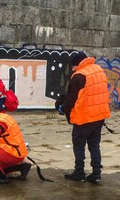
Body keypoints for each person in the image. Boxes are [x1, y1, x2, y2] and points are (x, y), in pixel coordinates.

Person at [56, 52, 111, 183]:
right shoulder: (99, 70)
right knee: (94, 145)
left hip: (83, 117)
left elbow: (71, 100)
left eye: (73, 66)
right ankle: (96, 174)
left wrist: (62, 109)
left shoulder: (79, 76)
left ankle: (79, 173)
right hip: (99, 117)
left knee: (79, 146)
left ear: (77, 64)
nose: (73, 69)